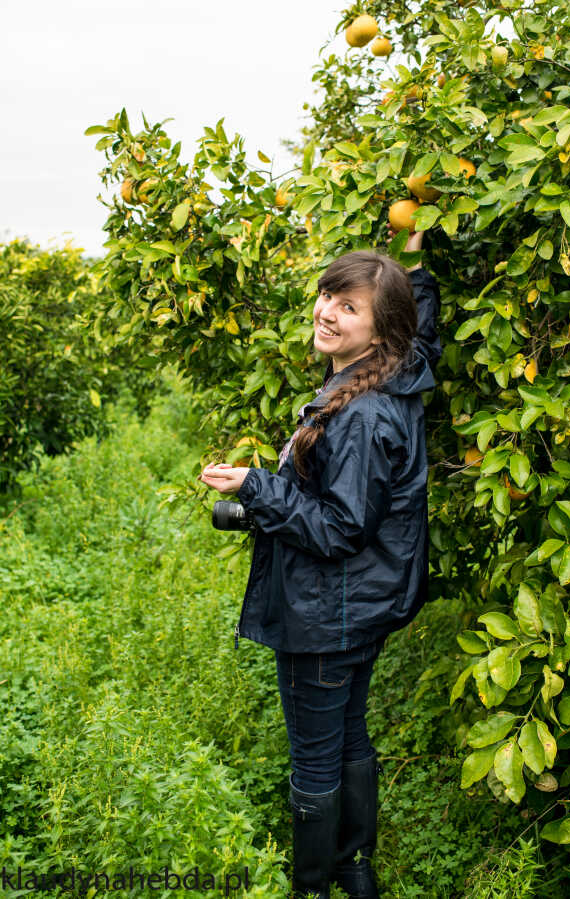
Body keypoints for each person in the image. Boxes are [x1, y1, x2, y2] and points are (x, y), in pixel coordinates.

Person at [200, 232, 441, 899]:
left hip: (328, 610)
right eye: (328, 294)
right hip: (364, 604)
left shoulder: (362, 414)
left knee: (315, 753)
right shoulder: (400, 369)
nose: (327, 311)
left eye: (350, 307)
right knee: (349, 734)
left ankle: (313, 886)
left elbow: (337, 528)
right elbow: (426, 340)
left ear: (378, 330)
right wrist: (414, 265)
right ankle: (354, 868)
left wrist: (255, 485)